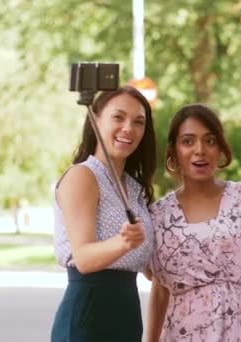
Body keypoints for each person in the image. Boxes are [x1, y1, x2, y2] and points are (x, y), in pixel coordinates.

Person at [146, 104, 241, 341]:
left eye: (209, 141)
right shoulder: (159, 215)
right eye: (188, 141)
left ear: (220, 147)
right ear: (173, 151)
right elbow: (160, 289)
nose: (200, 150)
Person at [51, 86, 157, 342]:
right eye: (118, 117)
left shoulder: (135, 188)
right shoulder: (83, 176)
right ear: (95, 120)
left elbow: (149, 268)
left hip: (126, 316)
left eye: (138, 122)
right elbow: (84, 258)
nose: (128, 128)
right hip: (89, 315)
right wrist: (122, 243)